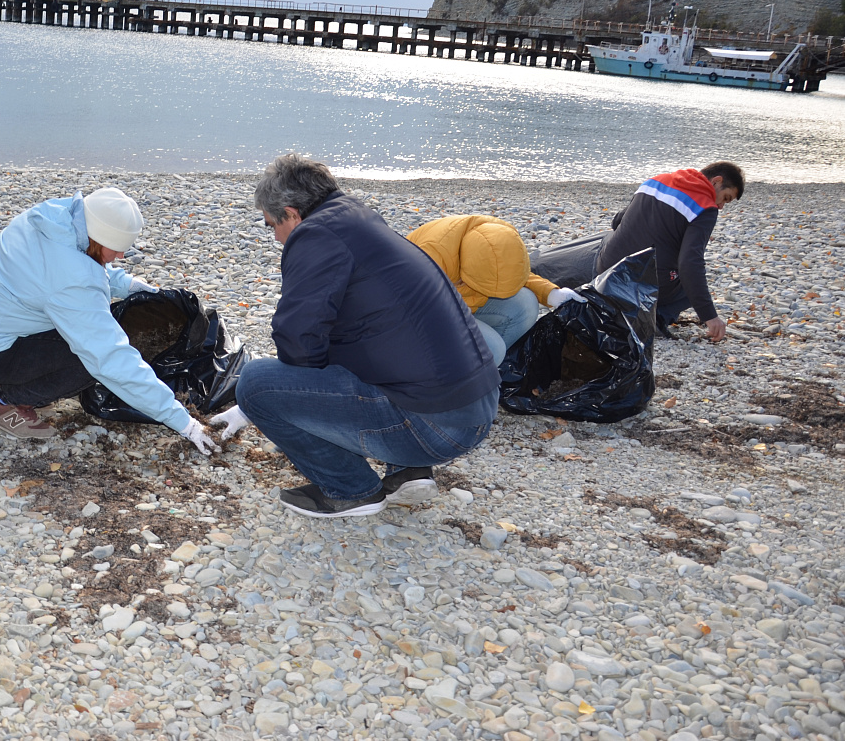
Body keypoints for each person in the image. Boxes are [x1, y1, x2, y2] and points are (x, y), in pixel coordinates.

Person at [211, 155, 499, 519]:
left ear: (292, 214)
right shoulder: (357, 218)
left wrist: (259, 405)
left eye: (272, 226)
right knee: (365, 342)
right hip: (476, 405)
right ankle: (406, 469)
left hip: (437, 425)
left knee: (255, 383)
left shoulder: (314, 236)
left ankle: (351, 490)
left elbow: (296, 341)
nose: (276, 238)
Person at [0, 187, 219, 454]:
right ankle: (4, 401)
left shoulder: (56, 218)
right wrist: (183, 422)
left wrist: (130, 286)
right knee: (89, 362)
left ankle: (15, 381)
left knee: (93, 334)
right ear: (99, 238)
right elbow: (109, 358)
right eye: (117, 248)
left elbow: (80, 263)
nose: (122, 256)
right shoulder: (72, 280)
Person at [596, 162, 744, 341]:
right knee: (690, 284)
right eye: (725, 198)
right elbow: (690, 263)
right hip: (640, 281)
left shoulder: (657, 181)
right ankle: (655, 320)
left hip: (606, 268)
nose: (721, 206)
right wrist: (709, 316)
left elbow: (617, 221)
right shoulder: (705, 206)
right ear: (716, 181)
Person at [407, 214, 585, 363]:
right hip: (420, 317)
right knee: (490, 347)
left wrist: (553, 294)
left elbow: (510, 271)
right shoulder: (430, 256)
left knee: (526, 302)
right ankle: (459, 385)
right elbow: (412, 313)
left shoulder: (499, 235)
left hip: (460, 302)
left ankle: (488, 370)